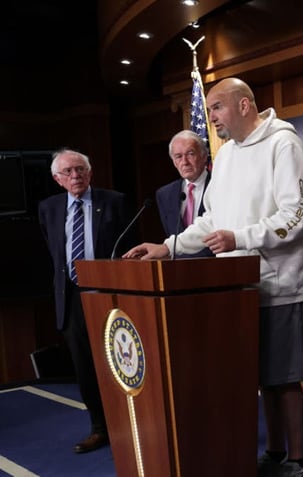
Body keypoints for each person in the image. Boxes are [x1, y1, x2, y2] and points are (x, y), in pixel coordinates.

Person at [123, 77, 303, 477]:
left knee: (284, 377)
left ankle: (298, 461)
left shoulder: (284, 144)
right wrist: (169, 246)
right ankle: (276, 452)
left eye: (217, 108)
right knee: (262, 377)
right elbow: (212, 219)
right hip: (238, 286)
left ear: (245, 105)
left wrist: (239, 237)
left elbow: (297, 215)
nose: (210, 117)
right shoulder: (226, 154)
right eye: (210, 108)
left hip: (280, 282)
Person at [38, 149, 136, 453]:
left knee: (121, 364)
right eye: (67, 172)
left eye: (80, 169)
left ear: (90, 173)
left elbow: (129, 249)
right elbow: (54, 252)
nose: (75, 176)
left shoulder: (114, 201)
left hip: (110, 295)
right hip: (71, 299)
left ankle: (133, 425)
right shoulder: (49, 208)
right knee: (85, 368)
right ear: (57, 179)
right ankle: (99, 428)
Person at [155, 130, 213, 257]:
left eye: (190, 154)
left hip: (216, 265)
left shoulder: (217, 184)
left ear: (204, 156)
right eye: (178, 156)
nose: (185, 161)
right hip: (180, 269)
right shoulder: (165, 194)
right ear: (174, 162)